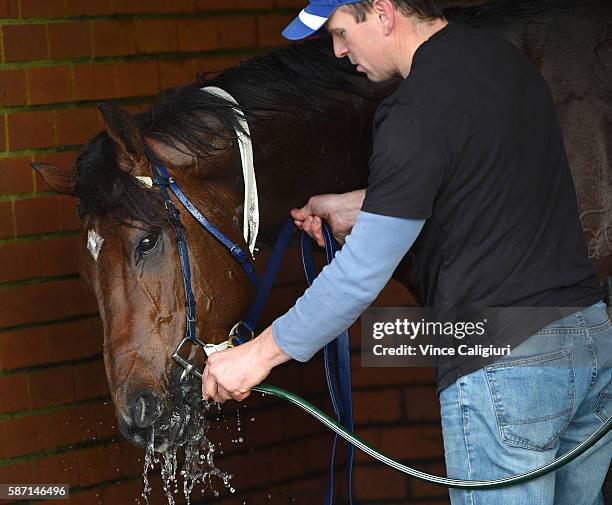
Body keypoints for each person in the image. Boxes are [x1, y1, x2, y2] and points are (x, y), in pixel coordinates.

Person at [201, 1, 611, 503]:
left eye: (340, 32)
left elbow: (359, 276)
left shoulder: (412, 110)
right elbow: (482, 173)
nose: (338, 50)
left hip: (501, 359)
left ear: (382, 11)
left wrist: (256, 357)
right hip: (589, 341)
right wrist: (363, 206)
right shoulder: (505, 63)